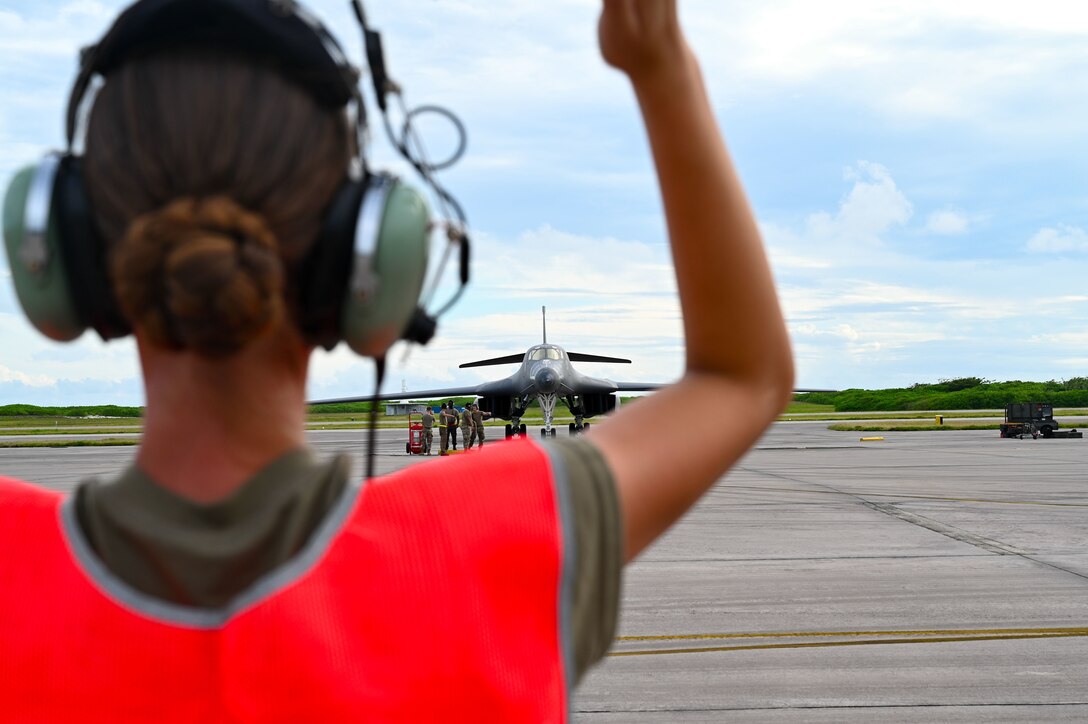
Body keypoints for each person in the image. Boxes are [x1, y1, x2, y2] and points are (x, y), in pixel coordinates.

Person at [0, 0, 793, 720]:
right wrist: (659, 63)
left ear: (67, 258)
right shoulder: (500, 538)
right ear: (367, 263)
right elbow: (740, 376)